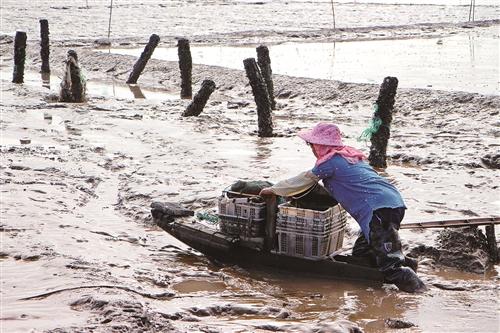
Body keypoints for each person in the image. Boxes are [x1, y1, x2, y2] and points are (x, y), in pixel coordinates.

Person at [259, 122, 426, 293]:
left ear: (320, 145)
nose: (311, 149)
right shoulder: (349, 156)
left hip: (378, 210)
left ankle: (421, 294)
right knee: (363, 253)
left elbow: (304, 180)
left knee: (391, 265)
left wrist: (274, 190)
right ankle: (399, 270)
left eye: (312, 145)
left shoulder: (329, 163)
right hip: (391, 203)